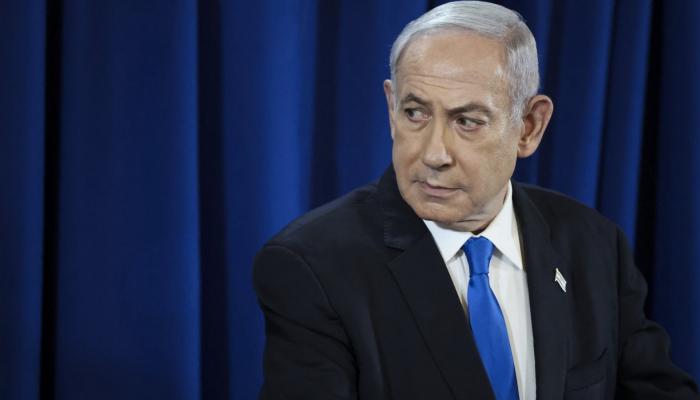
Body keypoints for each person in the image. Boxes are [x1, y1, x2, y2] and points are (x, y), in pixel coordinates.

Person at [253, 1, 700, 399]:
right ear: (391, 108)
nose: (434, 154)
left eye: (467, 121)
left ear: (529, 126)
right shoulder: (313, 266)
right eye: (415, 113)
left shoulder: (593, 243)